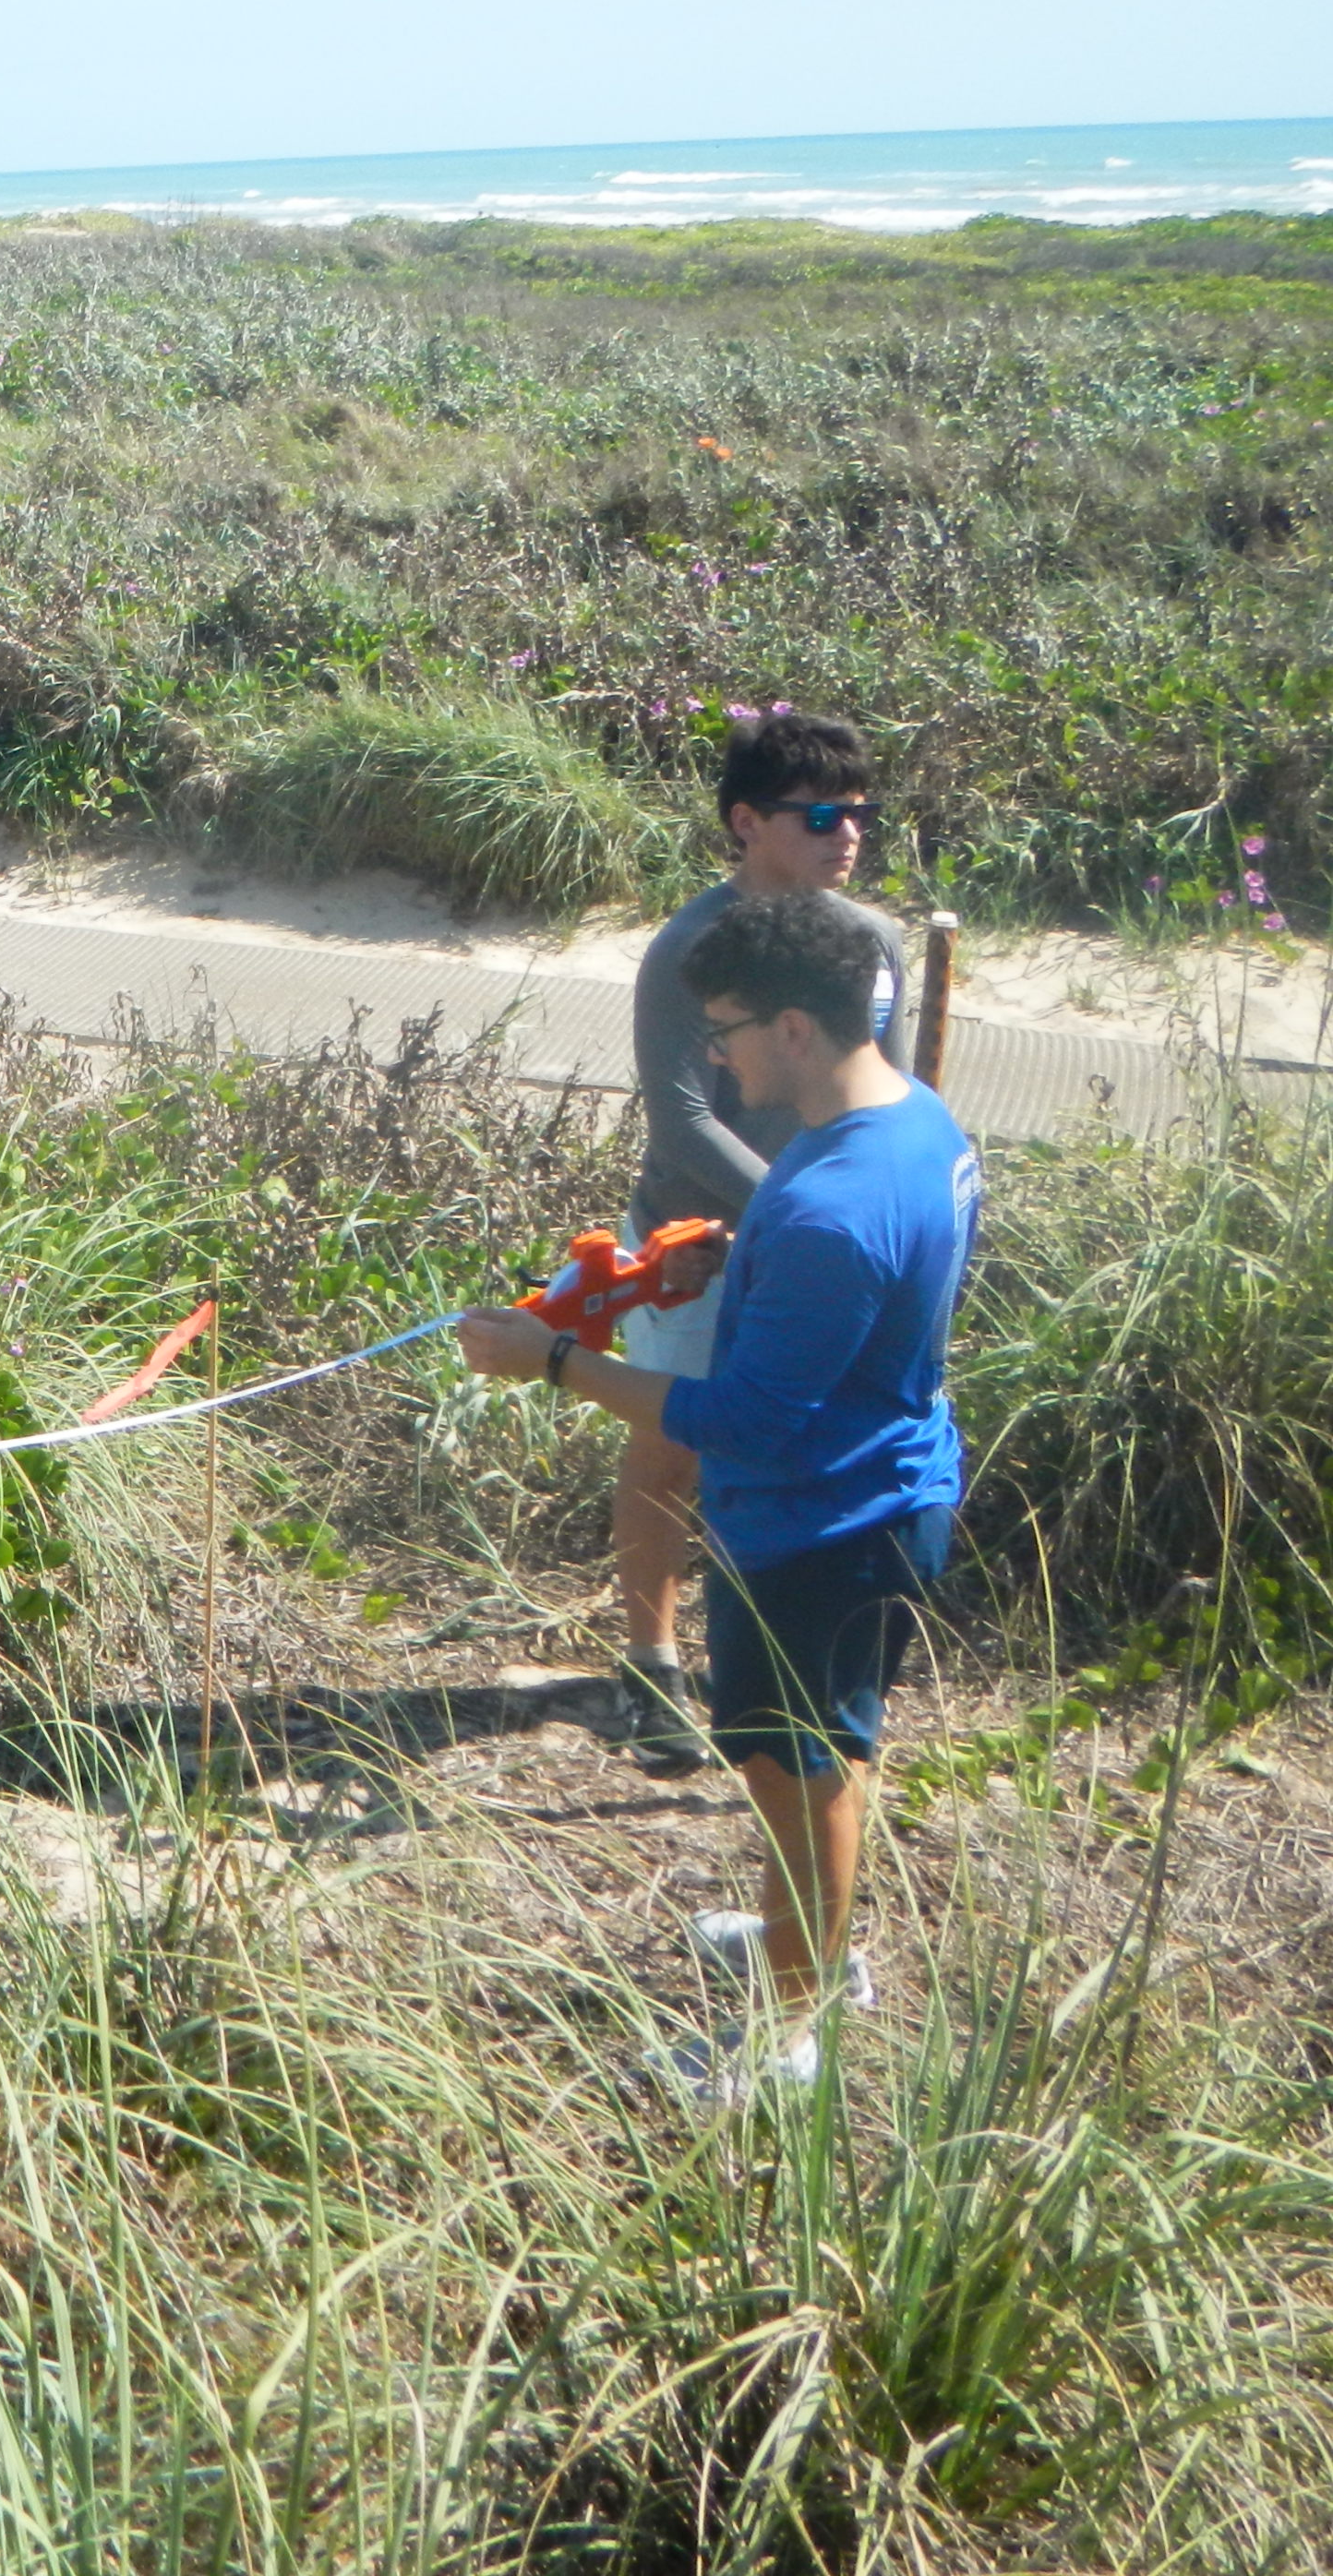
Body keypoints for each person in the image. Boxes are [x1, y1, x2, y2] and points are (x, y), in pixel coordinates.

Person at [459, 893, 978, 2103]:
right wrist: (735, 1265)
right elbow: (862, 1291)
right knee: (817, 1756)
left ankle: (788, 2034)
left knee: (802, 1773)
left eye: (728, 1030)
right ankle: (809, 1942)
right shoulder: (909, 1124)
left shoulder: (831, 1207)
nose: (715, 1055)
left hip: (822, 1528)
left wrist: (553, 1361)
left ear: (795, 1027)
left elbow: (740, 1418)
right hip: (875, 1491)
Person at [604, 713, 914, 1773]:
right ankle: (649, 1664)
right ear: (745, 822)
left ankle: (781, 1663)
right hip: (693, 1243)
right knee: (673, 1446)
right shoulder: (689, 950)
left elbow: (887, 1091)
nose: (848, 834)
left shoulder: (872, 944)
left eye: (861, 813)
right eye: (820, 816)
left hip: (809, 1245)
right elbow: (681, 1121)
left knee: (791, 1443)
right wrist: (791, 1208)